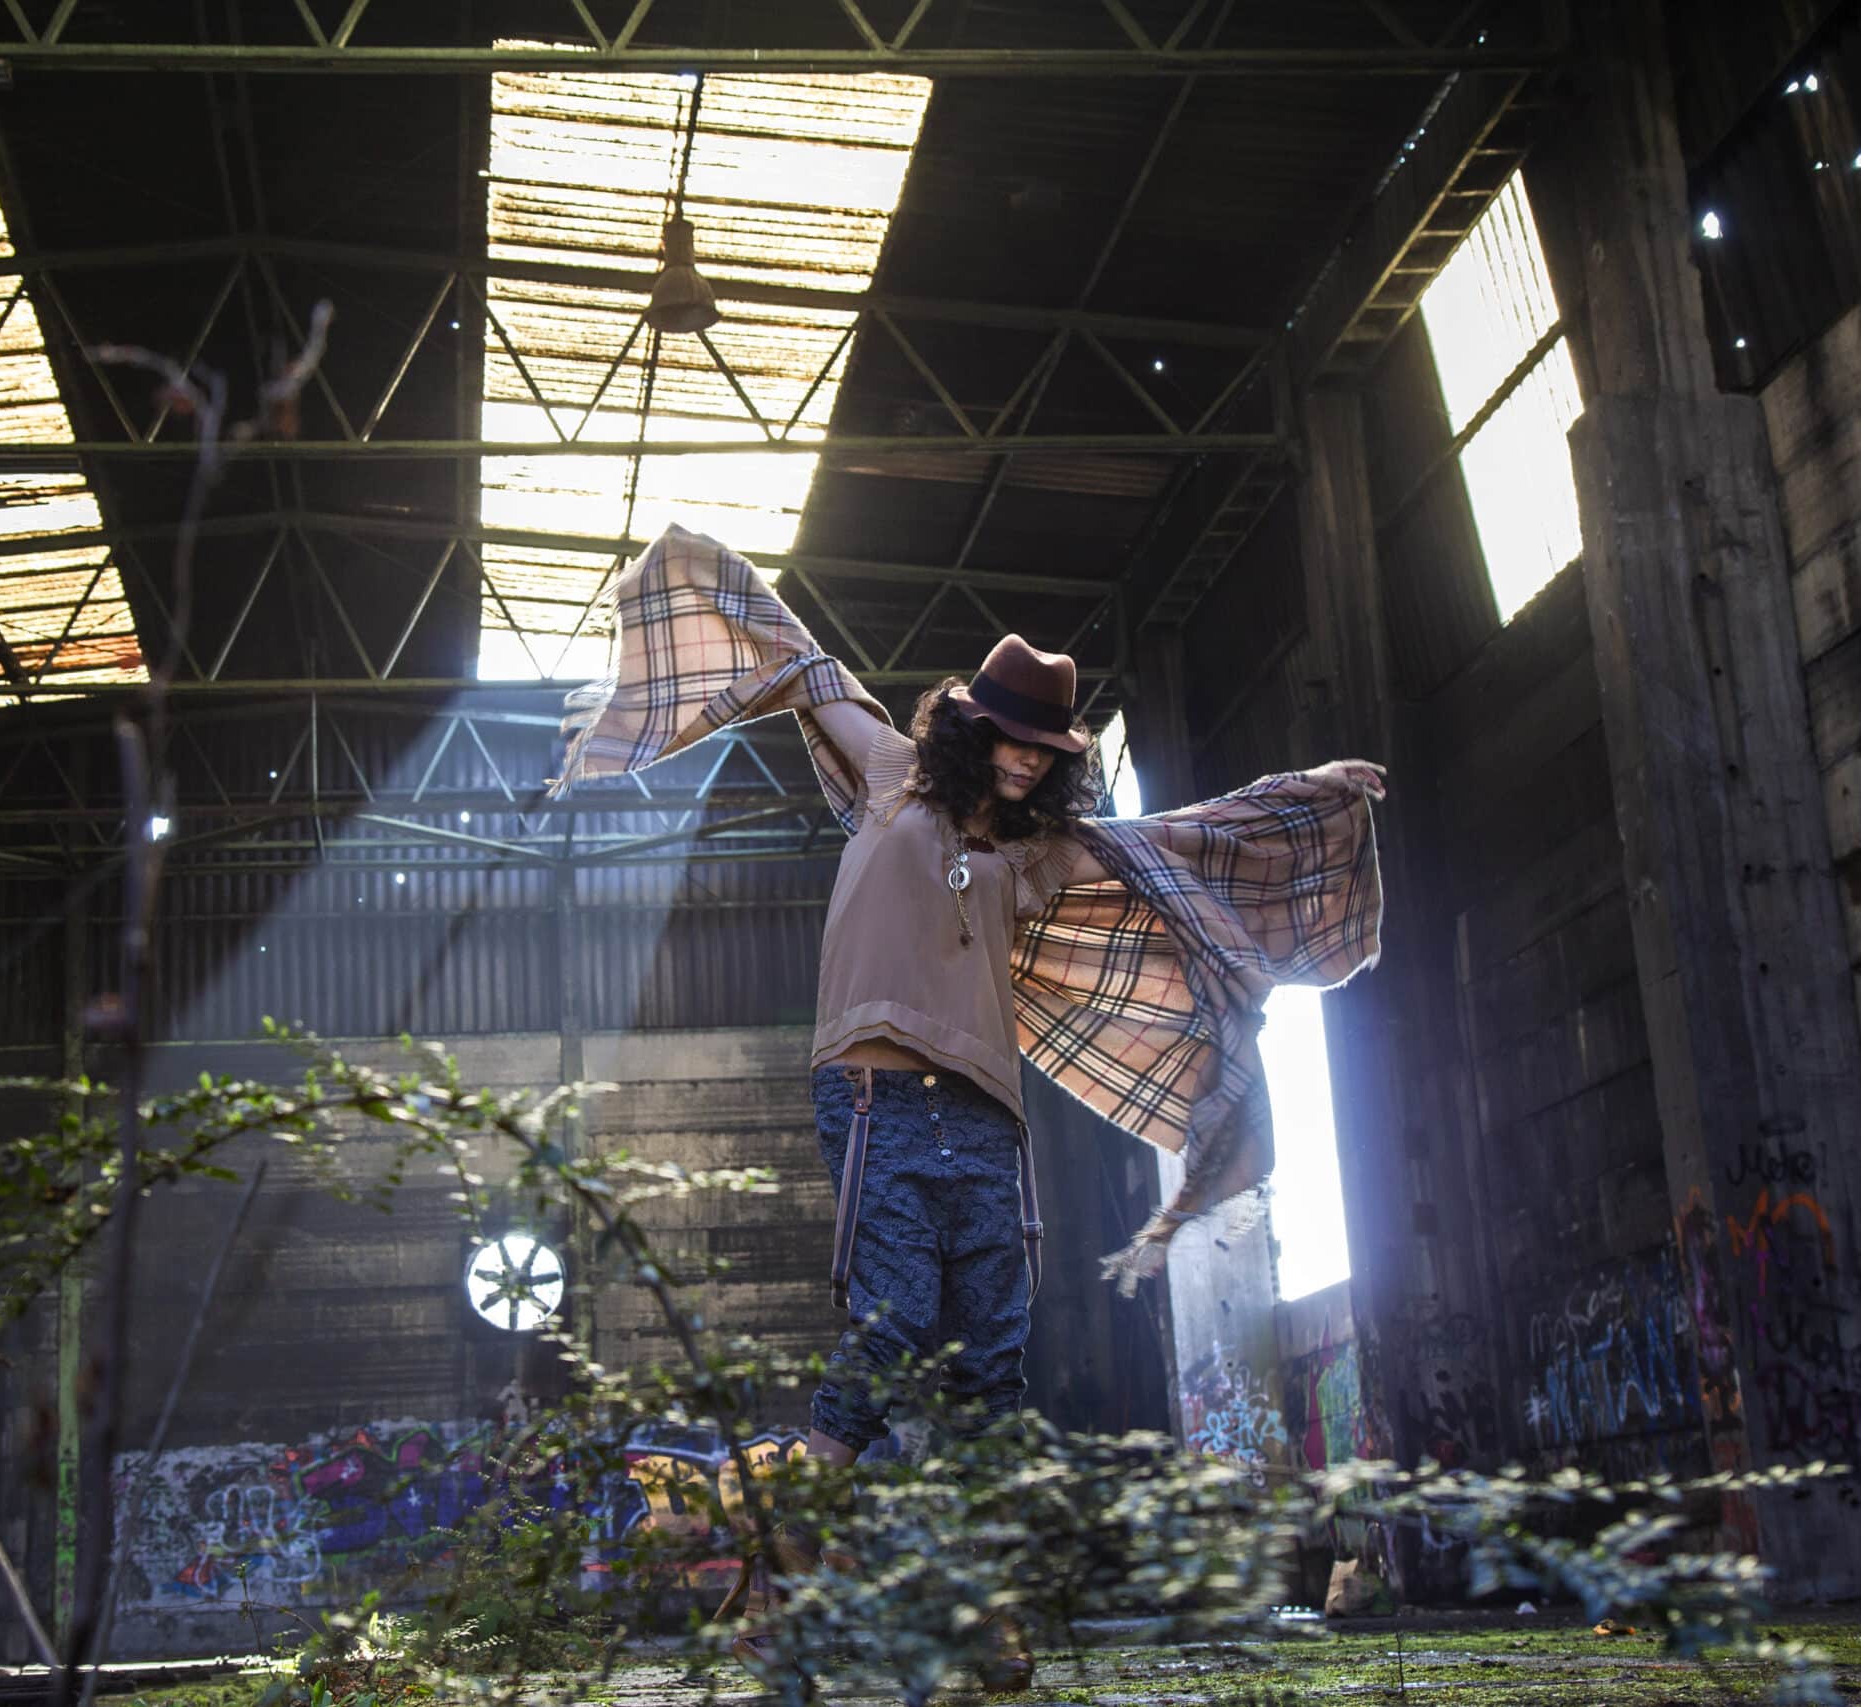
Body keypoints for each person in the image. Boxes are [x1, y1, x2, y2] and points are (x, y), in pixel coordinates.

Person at [554, 526, 1387, 1689]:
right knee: (894, 1320)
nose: (1026, 764)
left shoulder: (1045, 857)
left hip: (988, 1124)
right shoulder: (889, 776)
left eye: (1047, 753)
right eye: (1010, 740)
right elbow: (802, 669)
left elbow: (1179, 848)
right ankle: (790, 1547)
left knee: (991, 1362)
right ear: (967, 728)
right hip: (876, 1095)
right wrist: (703, 570)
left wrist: (1313, 797)